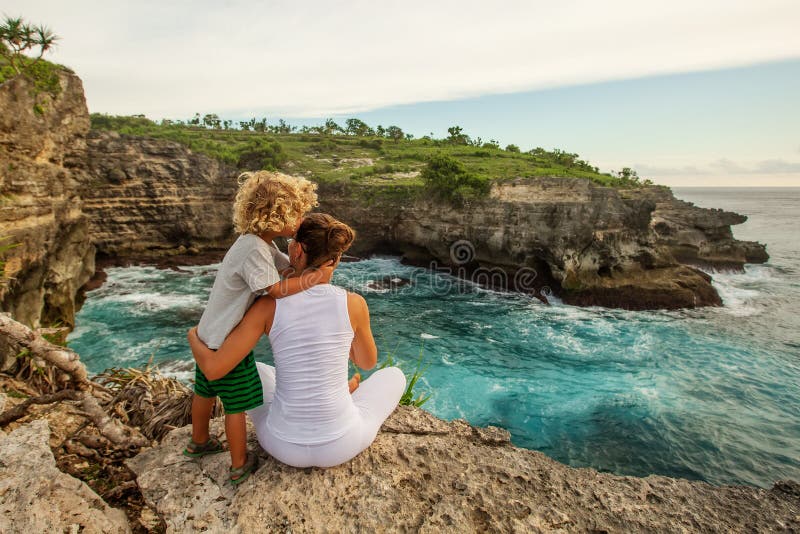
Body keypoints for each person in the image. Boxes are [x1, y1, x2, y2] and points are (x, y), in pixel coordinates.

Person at [188, 213, 406, 469]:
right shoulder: (354, 304)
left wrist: (194, 336)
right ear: (336, 258)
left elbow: (214, 370)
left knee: (255, 369)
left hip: (281, 446)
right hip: (342, 444)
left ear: (297, 250)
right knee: (393, 375)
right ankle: (345, 392)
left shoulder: (269, 304)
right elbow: (367, 363)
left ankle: (337, 393)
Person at [185, 171, 333, 485]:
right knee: (236, 406)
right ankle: (239, 464)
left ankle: (198, 441)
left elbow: (286, 268)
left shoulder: (257, 244)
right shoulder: (254, 249)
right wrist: (315, 279)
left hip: (209, 333)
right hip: (227, 342)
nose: (302, 219)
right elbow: (276, 289)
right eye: (299, 213)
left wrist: (305, 262)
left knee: (204, 391)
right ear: (277, 216)